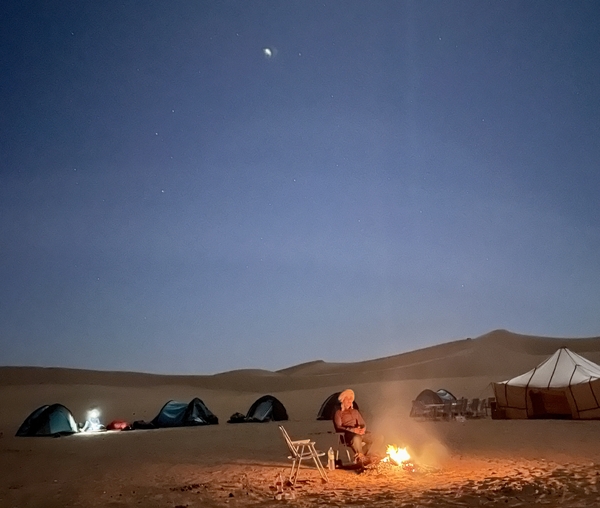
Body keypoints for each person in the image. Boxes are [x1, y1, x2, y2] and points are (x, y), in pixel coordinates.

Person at [333, 389, 373, 463]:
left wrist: (362, 429)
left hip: (360, 433)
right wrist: (353, 430)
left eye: (351, 400)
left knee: (378, 437)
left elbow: (362, 423)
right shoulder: (338, 413)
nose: (349, 402)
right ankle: (361, 458)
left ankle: (369, 456)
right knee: (356, 438)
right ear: (342, 400)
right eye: (347, 399)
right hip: (348, 435)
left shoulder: (355, 411)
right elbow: (338, 426)